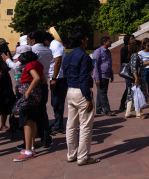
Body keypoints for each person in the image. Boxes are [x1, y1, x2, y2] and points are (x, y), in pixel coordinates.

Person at [62, 31, 100, 166]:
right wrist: (88, 97)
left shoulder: (68, 56)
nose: (87, 40)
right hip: (81, 92)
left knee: (71, 125)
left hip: (71, 90)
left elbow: (65, 72)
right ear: (81, 41)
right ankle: (82, 157)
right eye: (85, 38)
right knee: (85, 126)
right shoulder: (84, 56)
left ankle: (71, 154)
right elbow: (84, 77)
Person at [13, 50, 43, 161]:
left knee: (26, 121)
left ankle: (28, 150)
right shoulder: (38, 64)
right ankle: (31, 146)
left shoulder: (30, 65)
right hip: (37, 93)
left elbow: (37, 78)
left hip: (29, 92)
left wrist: (27, 92)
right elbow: (42, 79)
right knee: (32, 120)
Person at [28, 30, 53, 148]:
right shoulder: (48, 50)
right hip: (44, 83)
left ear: (33, 40)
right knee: (42, 111)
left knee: (31, 113)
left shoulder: (32, 50)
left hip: (33, 83)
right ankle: (45, 138)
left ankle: (31, 140)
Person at [44, 31, 67, 135]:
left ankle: (59, 126)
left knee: (57, 102)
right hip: (55, 77)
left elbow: (58, 62)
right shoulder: (51, 46)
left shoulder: (55, 45)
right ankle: (58, 123)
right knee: (55, 102)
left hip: (59, 78)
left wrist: (54, 78)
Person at [0, 38, 16, 131]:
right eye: (0, 46)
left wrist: (3, 69)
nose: (2, 47)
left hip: (4, 79)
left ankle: (3, 124)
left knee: (6, 100)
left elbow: (9, 65)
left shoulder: (6, 53)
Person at [92, 37, 116, 116]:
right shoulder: (98, 51)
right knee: (103, 93)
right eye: (109, 41)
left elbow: (109, 63)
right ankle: (107, 110)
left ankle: (98, 109)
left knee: (102, 92)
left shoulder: (108, 51)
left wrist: (111, 74)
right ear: (104, 42)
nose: (111, 42)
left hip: (106, 75)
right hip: (100, 76)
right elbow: (94, 65)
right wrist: (97, 78)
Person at [125, 40, 147, 119]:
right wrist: (136, 78)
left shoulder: (135, 55)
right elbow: (133, 68)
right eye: (140, 45)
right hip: (136, 78)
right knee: (138, 95)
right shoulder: (135, 55)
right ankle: (139, 113)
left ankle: (128, 112)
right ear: (137, 46)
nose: (142, 46)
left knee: (131, 94)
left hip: (135, 78)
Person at [138, 38, 149, 108]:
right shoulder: (140, 53)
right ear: (144, 45)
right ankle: (143, 102)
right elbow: (140, 64)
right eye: (148, 45)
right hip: (144, 70)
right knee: (143, 87)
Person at [119, 34, 135, 111]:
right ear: (128, 40)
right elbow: (123, 61)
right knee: (128, 87)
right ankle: (122, 104)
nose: (133, 40)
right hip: (127, 71)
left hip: (133, 70)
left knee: (131, 87)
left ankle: (129, 104)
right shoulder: (124, 49)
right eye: (131, 39)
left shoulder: (133, 48)